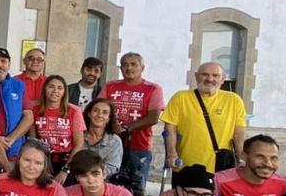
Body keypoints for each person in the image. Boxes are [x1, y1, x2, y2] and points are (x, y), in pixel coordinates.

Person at [162, 62, 246, 173]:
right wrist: (171, 154)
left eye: (215, 75)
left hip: (220, 167)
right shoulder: (181, 97)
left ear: (223, 79)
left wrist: (242, 158)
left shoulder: (234, 100)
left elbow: (238, 134)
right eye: (205, 74)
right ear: (196, 76)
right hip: (186, 165)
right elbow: (170, 129)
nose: (210, 79)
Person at [99, 52, 165, 188]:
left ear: (142, 68)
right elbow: (98, 108)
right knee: (106, 184)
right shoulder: (110, 86)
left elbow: (153, 117)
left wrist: (125, 128)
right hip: (109, 144)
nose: (129, 68)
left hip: (138, 147)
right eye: (124, 65)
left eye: (133, 64)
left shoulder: (153, 89)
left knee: (137, 188)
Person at [30, 75, 85, 184]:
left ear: (65, 92)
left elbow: (79, 144)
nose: (55, 91)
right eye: (51, 87)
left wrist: (65, 170)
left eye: (60, 88)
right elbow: (33, 141)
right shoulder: (35, 110)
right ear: (45, 88)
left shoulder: (74, 111)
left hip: (67, 161)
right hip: (43, 159)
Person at [82, 98, 123, 176]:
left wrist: (90, 174)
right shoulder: (78, 135)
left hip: (102, 181)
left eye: (105, 113)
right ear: (88, 114)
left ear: (109, 118)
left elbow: (112, 168)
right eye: (95, 111)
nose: (100, 115)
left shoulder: (115, 141)